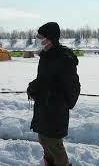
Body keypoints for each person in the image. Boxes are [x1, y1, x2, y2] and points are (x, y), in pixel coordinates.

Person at [27, 22, 80, 166]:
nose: (38, 39)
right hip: (43, 108)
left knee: (55, 145)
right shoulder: (46, 55)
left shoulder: (64, 58)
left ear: (49, 39)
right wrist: (34, 87)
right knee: (43, 140)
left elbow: (73, 86)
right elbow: (45, 79)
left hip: (55, 111)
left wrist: (61, 103)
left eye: (41, 37)